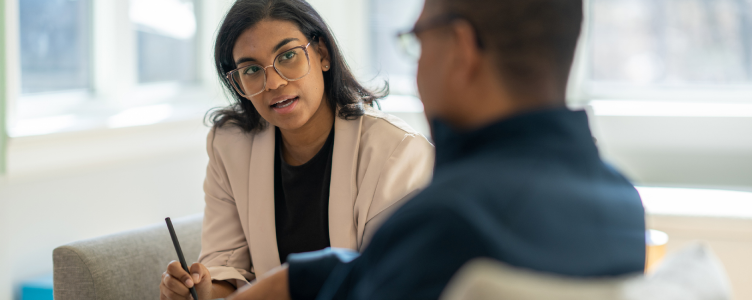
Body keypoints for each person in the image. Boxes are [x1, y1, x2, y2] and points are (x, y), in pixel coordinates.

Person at [226, 0, 647, 299]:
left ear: (461, 50)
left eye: (420, 40)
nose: (418, 66)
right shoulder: (620, 202)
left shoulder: (447, 219)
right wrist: (298, 279)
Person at [158, 0, 435, 299]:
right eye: (251, 69)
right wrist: (202, 290)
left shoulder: (397, 152)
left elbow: (384, 285)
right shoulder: (229, 146)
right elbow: (228, 270)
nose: (274, 82)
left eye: (288, 55)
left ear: (322, 54)